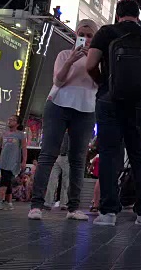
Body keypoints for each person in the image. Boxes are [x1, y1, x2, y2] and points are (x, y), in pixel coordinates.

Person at [86, 0, 141, 227]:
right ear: (137, 15)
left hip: (110, 100)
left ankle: (109, 213)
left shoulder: (106, 32)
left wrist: (104, 84)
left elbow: (90, 65)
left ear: (118, 14)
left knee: (110, 154)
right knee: (140, 156)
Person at [29, 19, 99, 221]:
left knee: (78, 159)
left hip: (86, 108)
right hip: (58, 104)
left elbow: (100, 83)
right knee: (48, 154)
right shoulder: (64, 55)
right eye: (81, 34)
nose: (84, 39)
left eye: (89, 35)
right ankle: (36, 205)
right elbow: (58, 80)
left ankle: (73, 207)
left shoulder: (99, 60)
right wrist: (71, 60)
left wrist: (91, 61)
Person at [0, 115, 27, 211]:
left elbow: (24, 149)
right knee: (7, 181)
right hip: (3, 161)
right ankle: (9, 202)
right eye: (9, 119)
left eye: (13, 120)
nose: (10, 121)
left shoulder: (21, 135)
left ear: (18, 123)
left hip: (13, 162)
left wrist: (24, 161)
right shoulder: (4, 134)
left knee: (5, 180)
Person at [43, 132, 70, 210]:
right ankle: (63, 203)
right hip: (64, 157)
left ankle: (48, 202)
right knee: (65, 181)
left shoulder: (59, 132)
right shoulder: (70, 133)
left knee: (53, 180)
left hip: (58, 156)